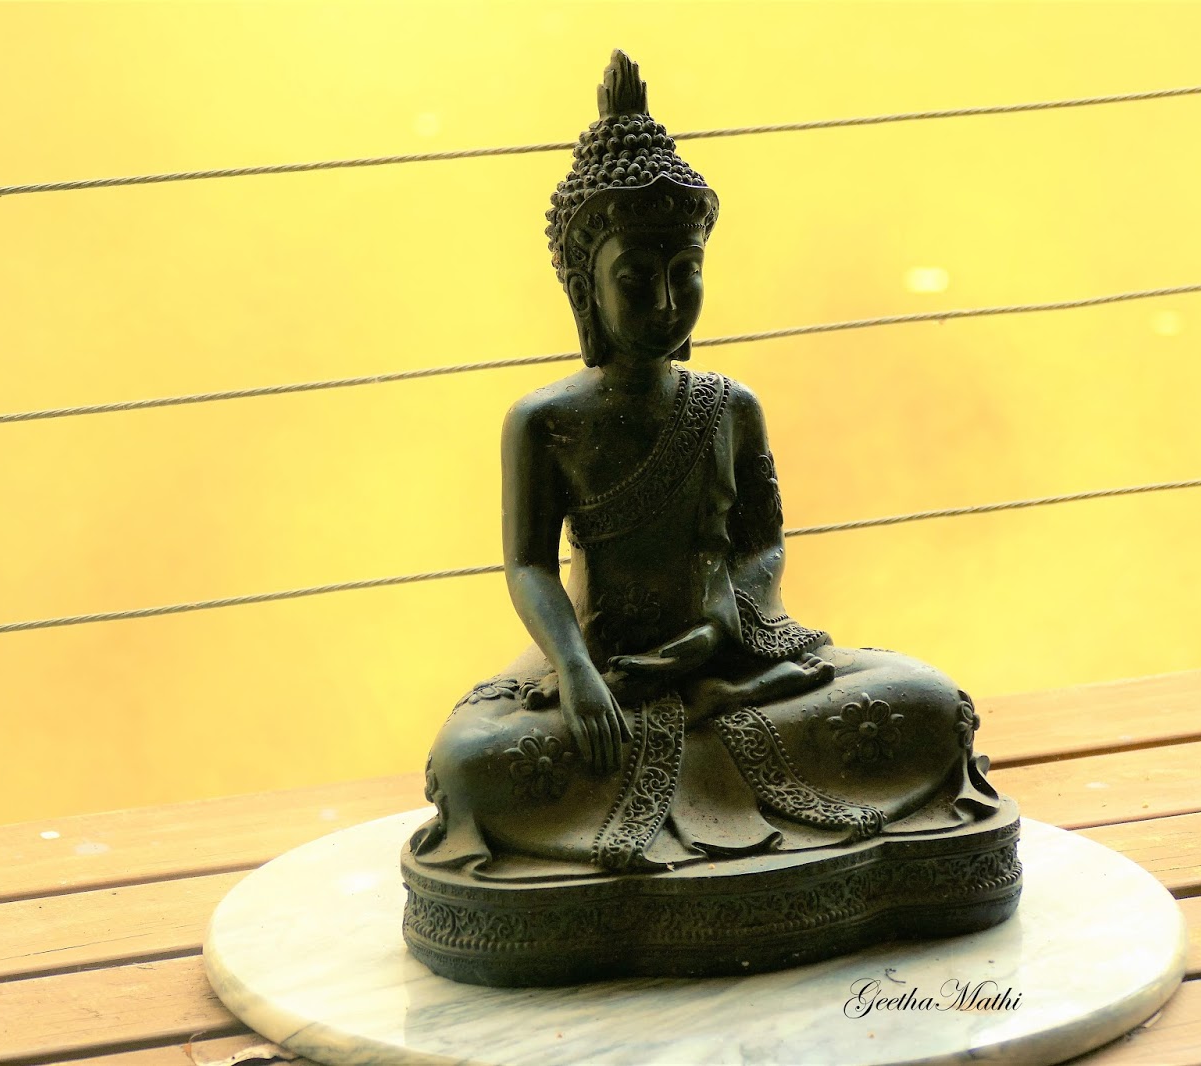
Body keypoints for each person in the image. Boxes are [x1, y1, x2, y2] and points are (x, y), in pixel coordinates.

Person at [402, 53, 1016, 985]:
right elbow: (529, 566)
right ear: (586, 289)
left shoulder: (729, 407)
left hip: (733, 665)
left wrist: (723, 621)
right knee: (471, 763)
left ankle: (732, 802)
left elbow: (761, 545)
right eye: (636, 278)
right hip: (604, 674)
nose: (664, 302)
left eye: (684, 273)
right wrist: (577, 673)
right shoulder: (545, 421)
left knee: (927, 702)